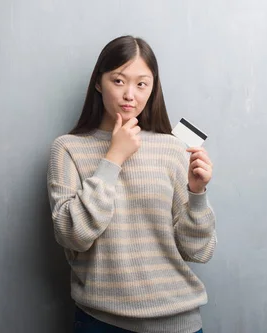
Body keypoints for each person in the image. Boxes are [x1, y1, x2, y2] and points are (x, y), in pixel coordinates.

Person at [46, 35, 217, 333]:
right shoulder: (67, 149)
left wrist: (197, 193)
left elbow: (198, 251)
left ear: (152, 88)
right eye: (118, 80)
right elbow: (73, 235)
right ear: (99, 82)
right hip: (100, 322)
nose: (130, 95)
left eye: (142, 84)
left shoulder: (171, 148)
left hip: (177, 322)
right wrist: (113, 157)